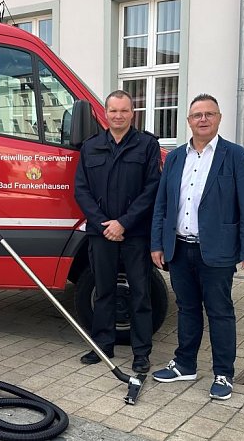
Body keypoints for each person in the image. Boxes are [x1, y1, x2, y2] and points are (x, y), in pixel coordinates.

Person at [150, 93, 244, 400]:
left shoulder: (238, 157)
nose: (203, 119)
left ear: (218, 118)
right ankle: (185, 364)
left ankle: (224, 373)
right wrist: (157, 243)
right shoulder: (174, 158)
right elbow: (162, 204)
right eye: (197, 115)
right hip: (180, 249)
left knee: (220, 312)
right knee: (187, 309)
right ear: (188, 121)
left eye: (209, 114)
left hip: (217, 250)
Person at [74, 89, 161, 374]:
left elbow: (152, 189)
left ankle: (141, 352)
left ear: (132, 113)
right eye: (113, 110)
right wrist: (104, 224)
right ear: (106, 113)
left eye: (124, 110)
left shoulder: (146, 145)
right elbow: (82, 190)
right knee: (104, 291)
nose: (118, 115)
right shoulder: (91, 146)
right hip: (101, 234)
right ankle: (102, 346)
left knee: (140, 292)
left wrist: (124, 222)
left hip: (134, 233)